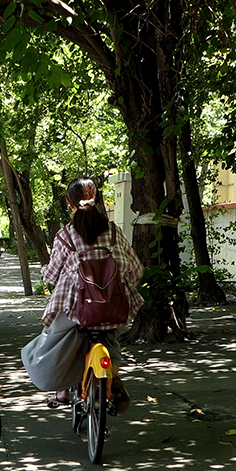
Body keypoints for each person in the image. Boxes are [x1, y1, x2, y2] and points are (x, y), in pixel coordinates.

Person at [40, 177, 143, 413]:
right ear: (96, 199)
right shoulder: (113, 232)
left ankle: (63, 389)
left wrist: (46, 274)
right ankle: (113, 375)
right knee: (111, 336)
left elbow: (52, 275)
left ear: (70, 203)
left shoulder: (65, 235)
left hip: (77, 308)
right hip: (113, 307)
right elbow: (135, 268)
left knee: (61, 337)